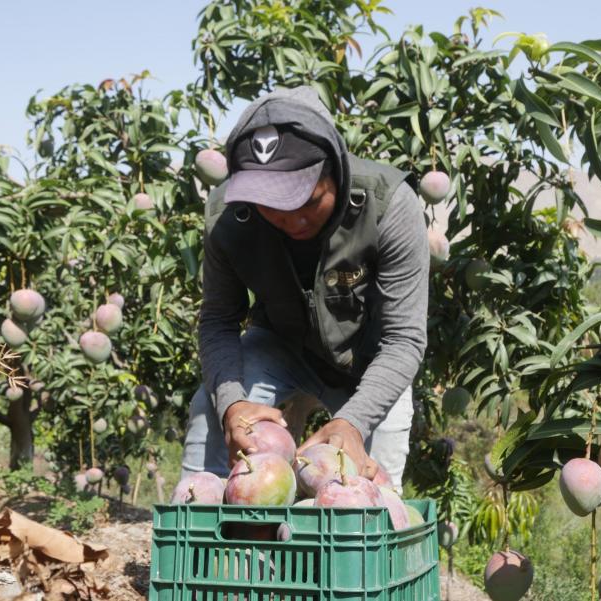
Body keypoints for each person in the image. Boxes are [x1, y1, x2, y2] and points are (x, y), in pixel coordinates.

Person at [180, 85, 429, 491]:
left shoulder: (388, 205)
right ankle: (201, 536)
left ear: (336, 168)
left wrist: (353, 421)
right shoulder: (231, 218)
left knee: (370, 480)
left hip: (371, 359)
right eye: (272, 207)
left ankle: (366, 541)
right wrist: (231, 405)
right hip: (280, 345)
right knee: (210, 408)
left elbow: (404, 339)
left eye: (308, 201)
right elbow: (218, 322)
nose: (293, 220)